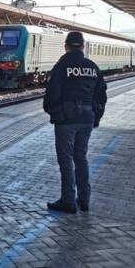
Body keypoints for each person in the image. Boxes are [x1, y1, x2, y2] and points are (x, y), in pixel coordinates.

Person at [43, 32, 107, 214]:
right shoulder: (92, 67)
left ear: (66, 46)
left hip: (67, 120)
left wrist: (56, 114)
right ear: (83, 46)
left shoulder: (62, 65)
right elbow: (101, 96)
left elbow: (52, 94)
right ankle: (84, 199)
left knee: (66, 160)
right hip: (87, 118)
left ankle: (68, 200)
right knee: (81, 158)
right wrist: (96, 117)